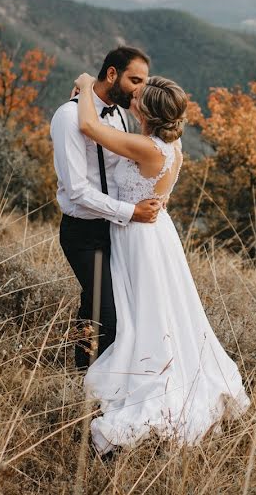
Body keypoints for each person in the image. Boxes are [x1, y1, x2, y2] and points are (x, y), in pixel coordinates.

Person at [73, 71, 251, 456]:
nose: (132, 96)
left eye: (139, 95)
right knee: (162, 309)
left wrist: (86, 85)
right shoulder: (172, 145)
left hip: (138, 235)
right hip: (156, 233)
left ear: (146, 111)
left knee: (146, 313)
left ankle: (152, 382)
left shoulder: (147, 147)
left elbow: (87, 124)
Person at [50, 46, 162, 371]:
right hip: (84, 232)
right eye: (135, 80)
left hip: (116, 228)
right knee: (111, 318)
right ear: (112, 74)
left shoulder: (123, 114)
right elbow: (78, 190)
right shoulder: (69, 116)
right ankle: (102, 391)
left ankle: (83, 375)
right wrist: (131, 212)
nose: (140, 89)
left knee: (93, 307)